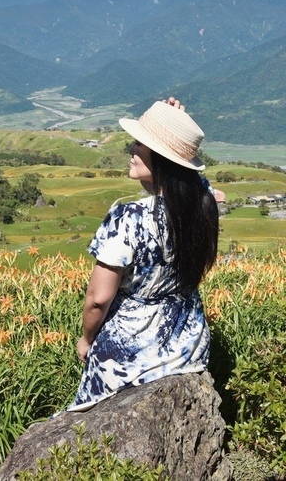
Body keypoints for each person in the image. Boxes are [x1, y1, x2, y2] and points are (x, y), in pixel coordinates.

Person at [68, 97, 219, 412]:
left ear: (162, 158)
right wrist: (174, 129)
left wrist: (86, 339)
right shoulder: (204, 206)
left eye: (140, 142)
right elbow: (196, 184)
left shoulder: (128, 217)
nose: (132, 149)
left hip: (132, 351)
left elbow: (98, 299)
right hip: (187, 345)